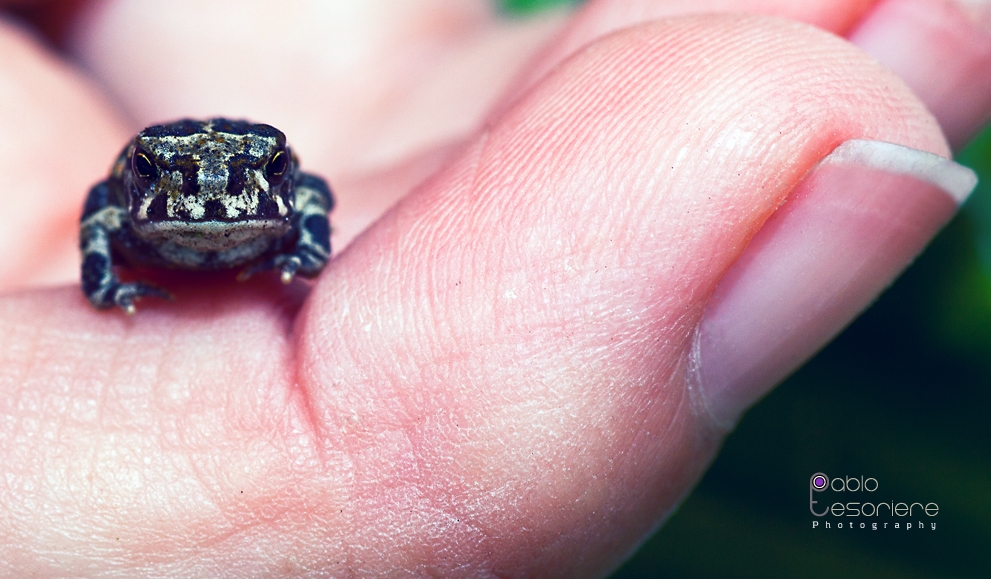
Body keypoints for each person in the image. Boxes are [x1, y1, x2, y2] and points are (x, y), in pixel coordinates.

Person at [0, 0, 987, 575]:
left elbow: (310, 191)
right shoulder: (124, 205)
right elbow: (102, 209)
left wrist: (300, 255)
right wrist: (110, 285)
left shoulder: (281, 190)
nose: (212, 199)